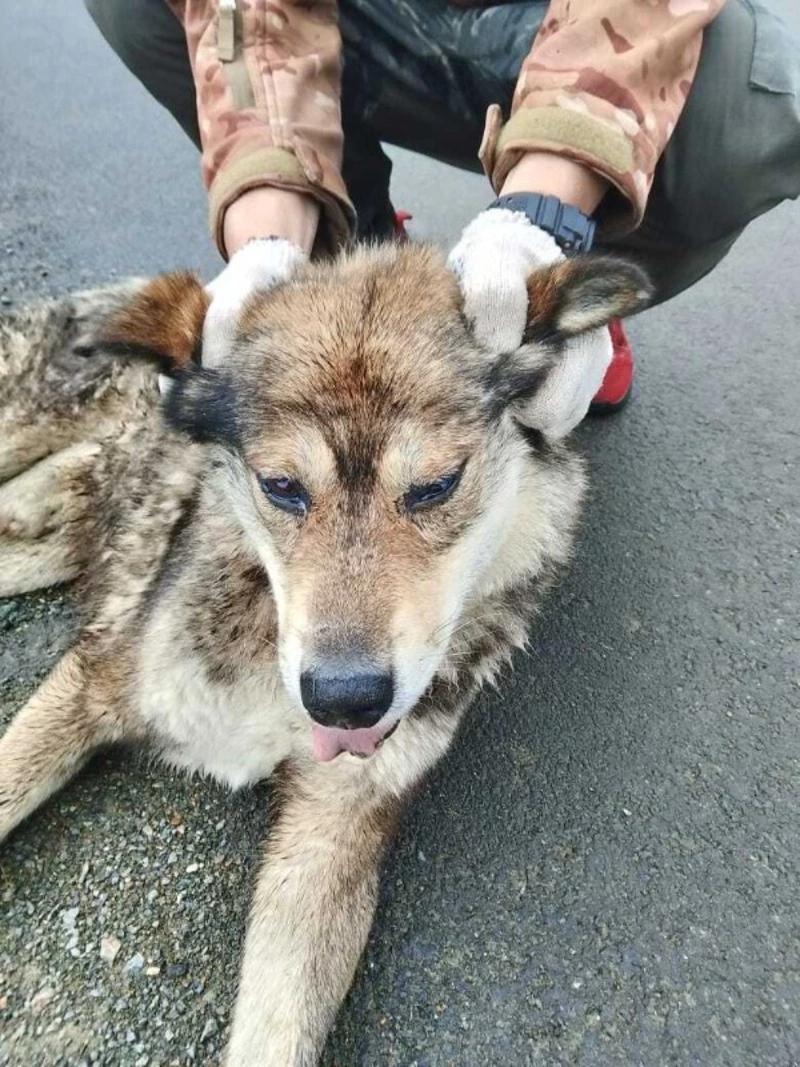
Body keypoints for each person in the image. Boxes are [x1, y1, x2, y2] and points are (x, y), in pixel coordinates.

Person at [85, 0, 799, 438]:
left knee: (753, 104)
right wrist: (265, 245)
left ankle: (551, 281)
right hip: (375, 18)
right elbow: (245, 16)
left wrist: (542, 218)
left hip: (565, 24)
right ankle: (358, 247)